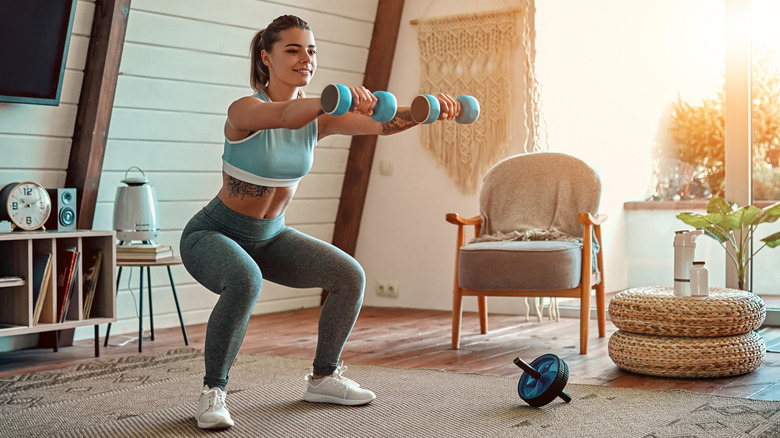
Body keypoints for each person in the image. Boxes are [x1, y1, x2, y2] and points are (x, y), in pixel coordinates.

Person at [179, 14, 461, 430]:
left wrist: (427, 110)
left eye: (311, 50)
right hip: (213, 233)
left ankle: (324, 377)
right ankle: (212, 393)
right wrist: (336, 98)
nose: (305, 58)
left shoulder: (322, 116)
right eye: (292, 49)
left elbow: (383, 123)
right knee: (245, 280)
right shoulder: (244, 110)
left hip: (271, 237)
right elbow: (286, 115)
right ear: (266, 57)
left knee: (349, 275)